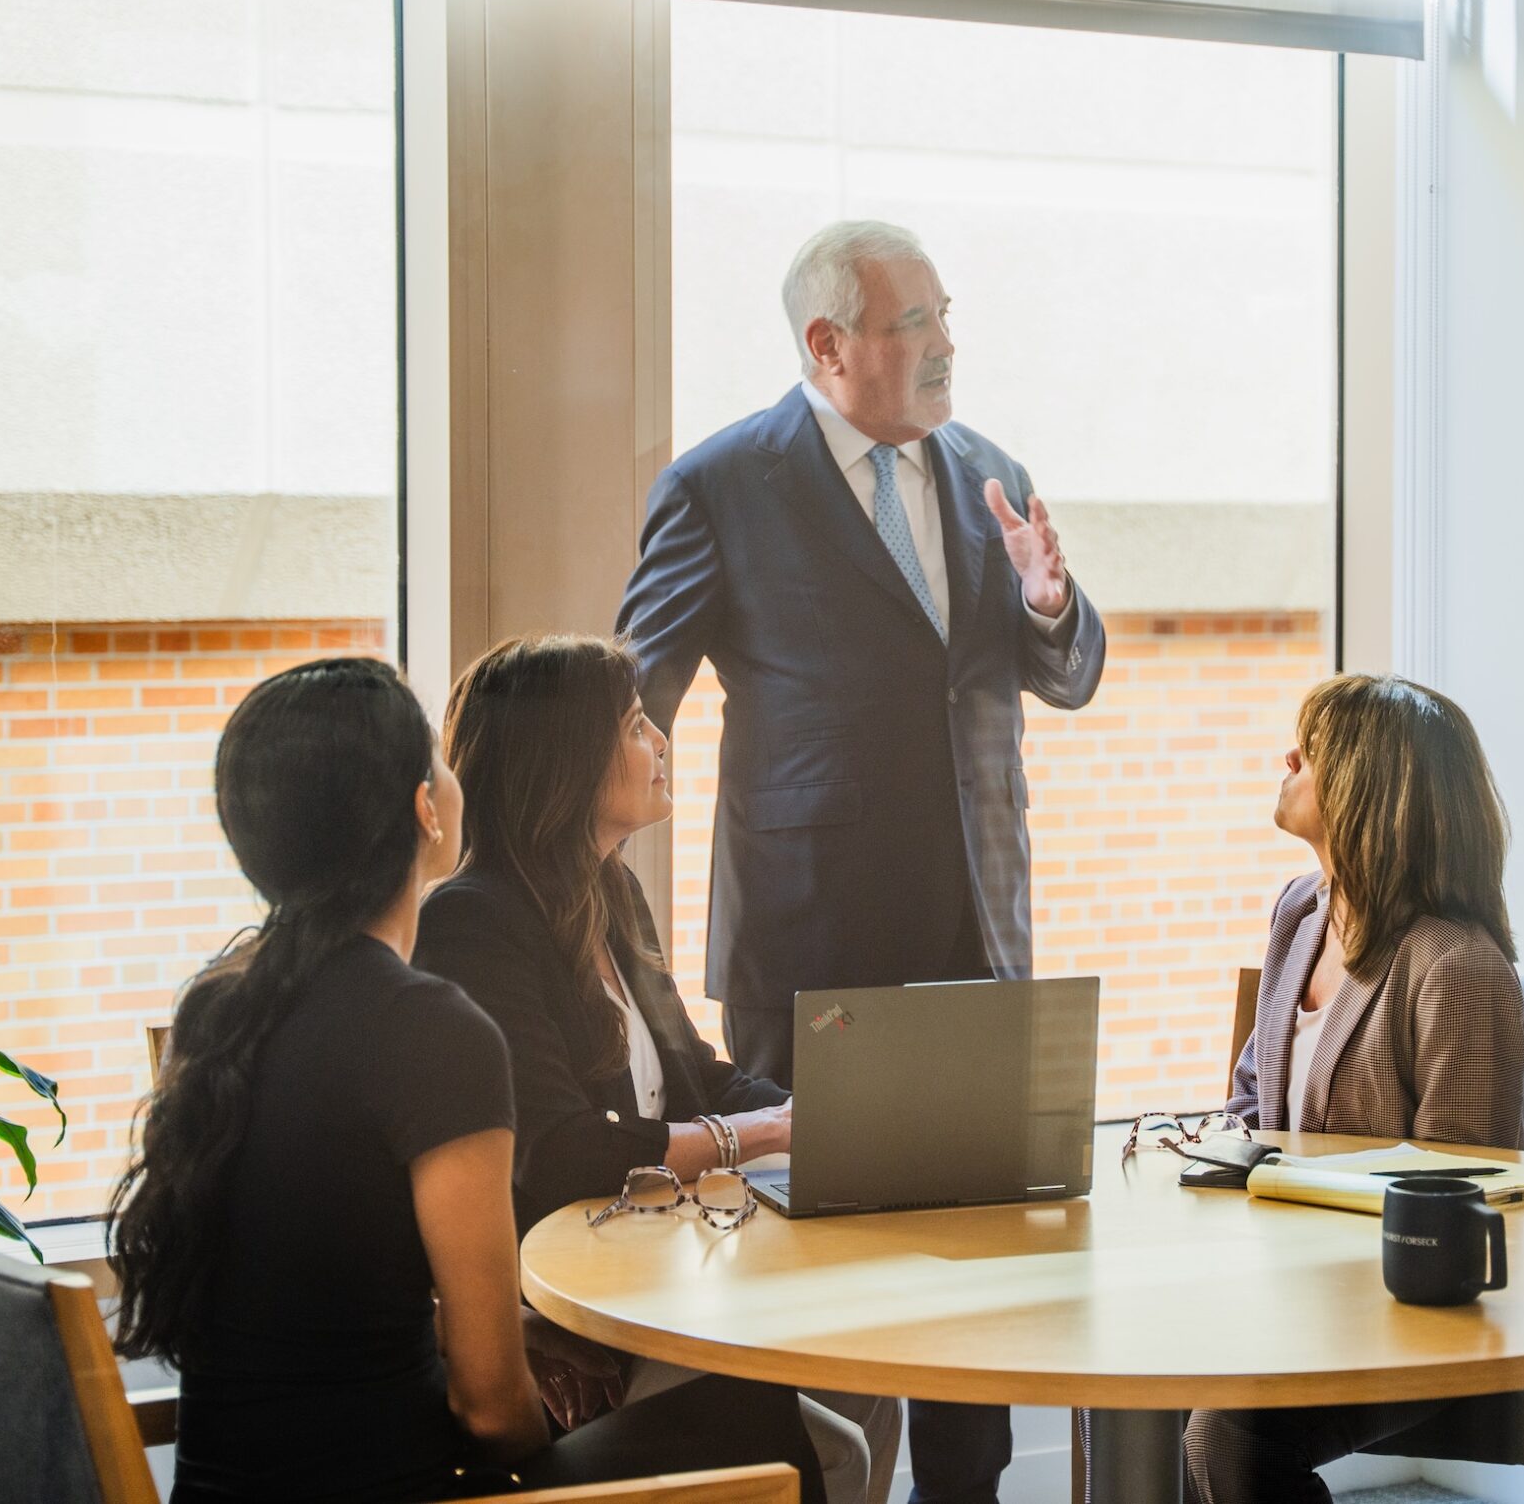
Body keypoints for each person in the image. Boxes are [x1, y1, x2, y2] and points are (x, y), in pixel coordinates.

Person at [616, 219, 1106, 1504]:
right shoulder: (722, 483)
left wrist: (1052, 602)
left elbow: (1065, 673)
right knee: (821, 1309)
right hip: (811, 949)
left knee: (980, 1290)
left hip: (980, 942)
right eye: (913, 323)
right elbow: (630, 703)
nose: (944, 343)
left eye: (946, 315)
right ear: (828, 345)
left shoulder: (988, 469)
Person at [106, 659, 824, 1504]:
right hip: (409, 1488)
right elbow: (492, 1414)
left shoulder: (222, 1003)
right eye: (440, 762)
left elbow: (333, 1288)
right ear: (425, 810)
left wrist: (505, 1335)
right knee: (762, 1419)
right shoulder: (434, 1032)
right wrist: (532, 1428)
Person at [413, 634, 901, 1504]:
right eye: (637, 726)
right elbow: (561, 1149)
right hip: (579, 1317)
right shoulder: (474, 921)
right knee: (836, 1446)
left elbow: (696, 1077)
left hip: (663, 1265)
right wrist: (758, 1135)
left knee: (871, 1383)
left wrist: (823, 1109)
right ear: (563, 761)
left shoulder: (610, 893)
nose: (661, 743)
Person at [1182, 674, 1524, 1504]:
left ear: (1371, 785)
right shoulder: (1301, 912)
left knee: (1226, 1433)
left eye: (1314, 749)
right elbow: (1250, 1108)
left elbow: (1451, 1206)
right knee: (1150, 1379)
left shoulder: (1456, 967)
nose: (1288, 758)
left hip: (1409, 1321)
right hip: (1290, 1293)